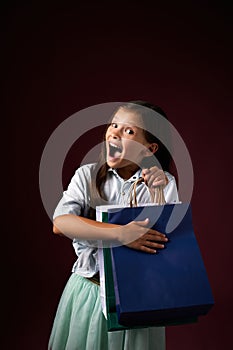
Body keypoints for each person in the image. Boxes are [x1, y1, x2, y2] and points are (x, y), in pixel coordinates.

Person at [48, 101, 179, 350]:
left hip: (140, 300)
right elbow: (61, 222)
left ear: (148, 148)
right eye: (114, 125)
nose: (115, 133)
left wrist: (159, 195)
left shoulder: (163, 183)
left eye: (129, 131)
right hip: (88, 294)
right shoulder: (87, 176)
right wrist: (121, 234)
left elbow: (167, 245)